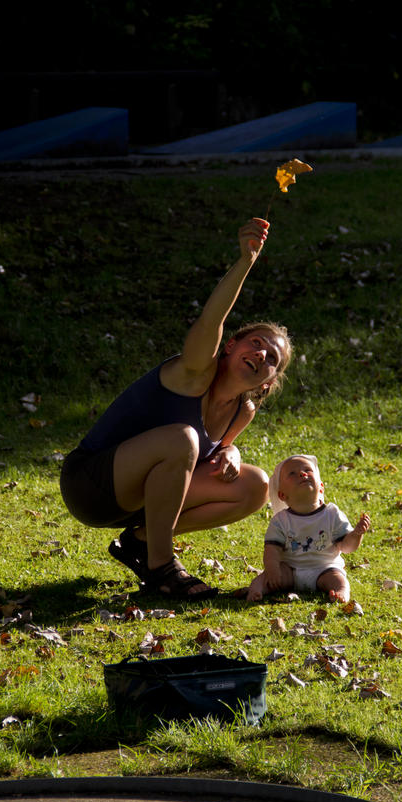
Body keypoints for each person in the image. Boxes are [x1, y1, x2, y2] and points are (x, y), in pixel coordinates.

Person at [60, 217, 292, 599]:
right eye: (256, 342)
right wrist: (246, 262)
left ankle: (140, 541)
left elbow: (206, 460)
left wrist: (231, 451)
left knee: (254, 485)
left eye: (272, 359)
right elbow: (211, 320)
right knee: (182, 438)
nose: (262, 353)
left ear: (267, 382)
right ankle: (162, 568)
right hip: (91, 484)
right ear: (232, 346)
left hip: (140, 503)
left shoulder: (242, 411)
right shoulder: (195, 372)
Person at [246, 454, 370, 603]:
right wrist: (273, 570)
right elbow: (272, 550)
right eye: (292, 473)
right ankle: (256, 590)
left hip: (324, 568)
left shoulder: (331, 514)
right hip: (290, 569)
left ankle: (341, 591)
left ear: (321, 488)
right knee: (265, 578)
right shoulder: (281, 520)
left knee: (338, 579)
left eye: (308, 470)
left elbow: (347, 547)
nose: (302, 473)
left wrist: (356, 534)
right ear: (282, 495)